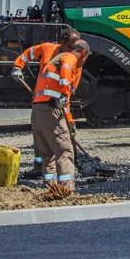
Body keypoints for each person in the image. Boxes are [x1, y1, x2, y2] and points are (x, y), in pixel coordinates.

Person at [11, 27, 80, 179]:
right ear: (61, 42)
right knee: (40, 136)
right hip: (41, 100)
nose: (70, 50)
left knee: (58, 141)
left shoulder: (73, 61)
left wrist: (69, 118)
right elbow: (28, 54)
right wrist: (17, 67)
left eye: (73, 48)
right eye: (69, 46)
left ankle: (53, 170)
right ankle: (39, 167)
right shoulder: (48, 48)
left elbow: (69, 91)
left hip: (56, 105)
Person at [30, 40, 90, 191]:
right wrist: (64, 91)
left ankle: (50, 188)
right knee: (64, 151)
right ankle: (66, 189)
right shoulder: (70, 58)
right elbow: (66, 71)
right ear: (84, 53)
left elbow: (65, 106)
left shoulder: (58, 59)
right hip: (50, 111)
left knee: (48, 154)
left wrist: (70, 122)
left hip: (38, 111)